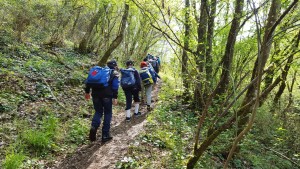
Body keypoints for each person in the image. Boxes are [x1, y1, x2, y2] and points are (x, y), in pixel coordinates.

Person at [84, 60, 119, 142]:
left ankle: (94, 127)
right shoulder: (114, 73)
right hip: (107, 95)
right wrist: (115, 97)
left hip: (95, 95)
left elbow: (88, 81)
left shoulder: (98, 71)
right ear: (114, 66)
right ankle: (105, 135)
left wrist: (87, 92)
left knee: (98, 112)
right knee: (107, 113)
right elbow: (115, 86)